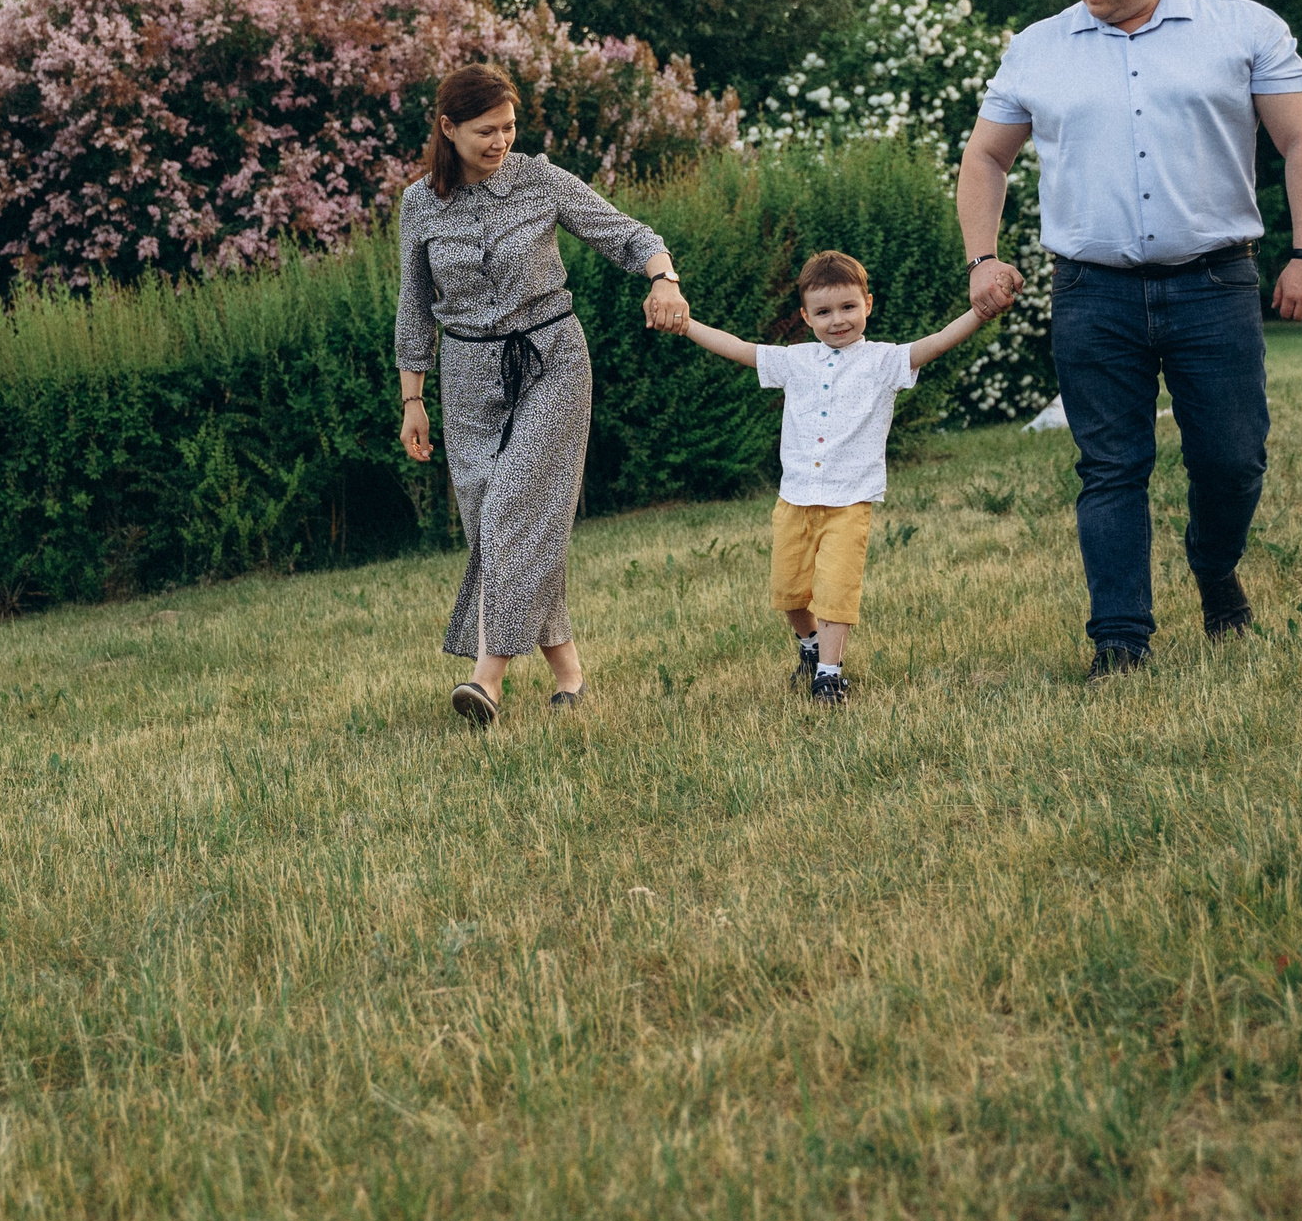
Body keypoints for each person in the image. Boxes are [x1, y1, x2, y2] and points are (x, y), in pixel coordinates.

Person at [958, 0, 1302, 677]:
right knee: (1110, 467)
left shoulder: (1242, 29)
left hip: (1214, 285)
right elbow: (987, 155)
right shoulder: (1038, 47)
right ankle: (1120, 642)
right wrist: (983, 256)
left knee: (1233, 460)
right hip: (1091, 291)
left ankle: (1212, 563)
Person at [396, 64, 689, 726]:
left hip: (552, 358)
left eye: (508, 127)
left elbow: (628, 234)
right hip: (466, 374)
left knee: (513, 509)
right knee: (497, 526)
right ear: (447, 128)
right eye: (484, 131)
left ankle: (486, 680)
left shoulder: (539, 178)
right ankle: (568, 672)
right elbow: (414, 307)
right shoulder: (419, 203)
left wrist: (663, 277)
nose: (499, 141)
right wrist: (413, 399)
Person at [677, 250, 987, 702]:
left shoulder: (885, 362)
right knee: (788, 592)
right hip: (795, 499)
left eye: (848, 307)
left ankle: (829, 674)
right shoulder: (796, 361)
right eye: (823, 312)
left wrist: (979, 312)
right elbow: (740, 349)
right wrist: (687, 325)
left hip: (850, 501)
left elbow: (937, 342)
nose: (837, 320)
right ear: (806, 316)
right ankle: (810, 647)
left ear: (868, 305)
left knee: (836, 590)